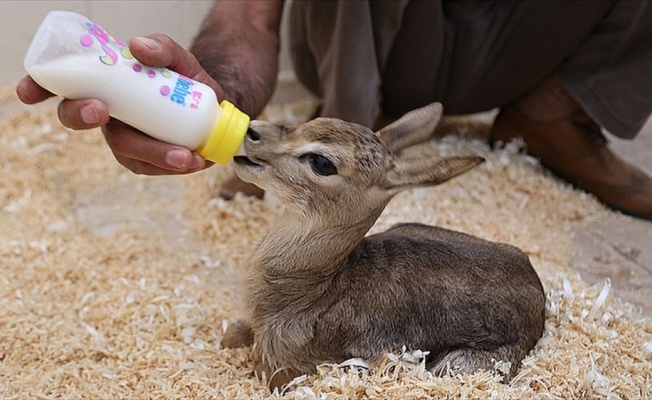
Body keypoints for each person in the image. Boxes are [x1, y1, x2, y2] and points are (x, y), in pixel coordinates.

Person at [16, 1, 652, 220]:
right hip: (384, 44)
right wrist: (223, 97)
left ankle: (554, 112)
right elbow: (251, 13)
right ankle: (342, 137)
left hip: (519, 41)